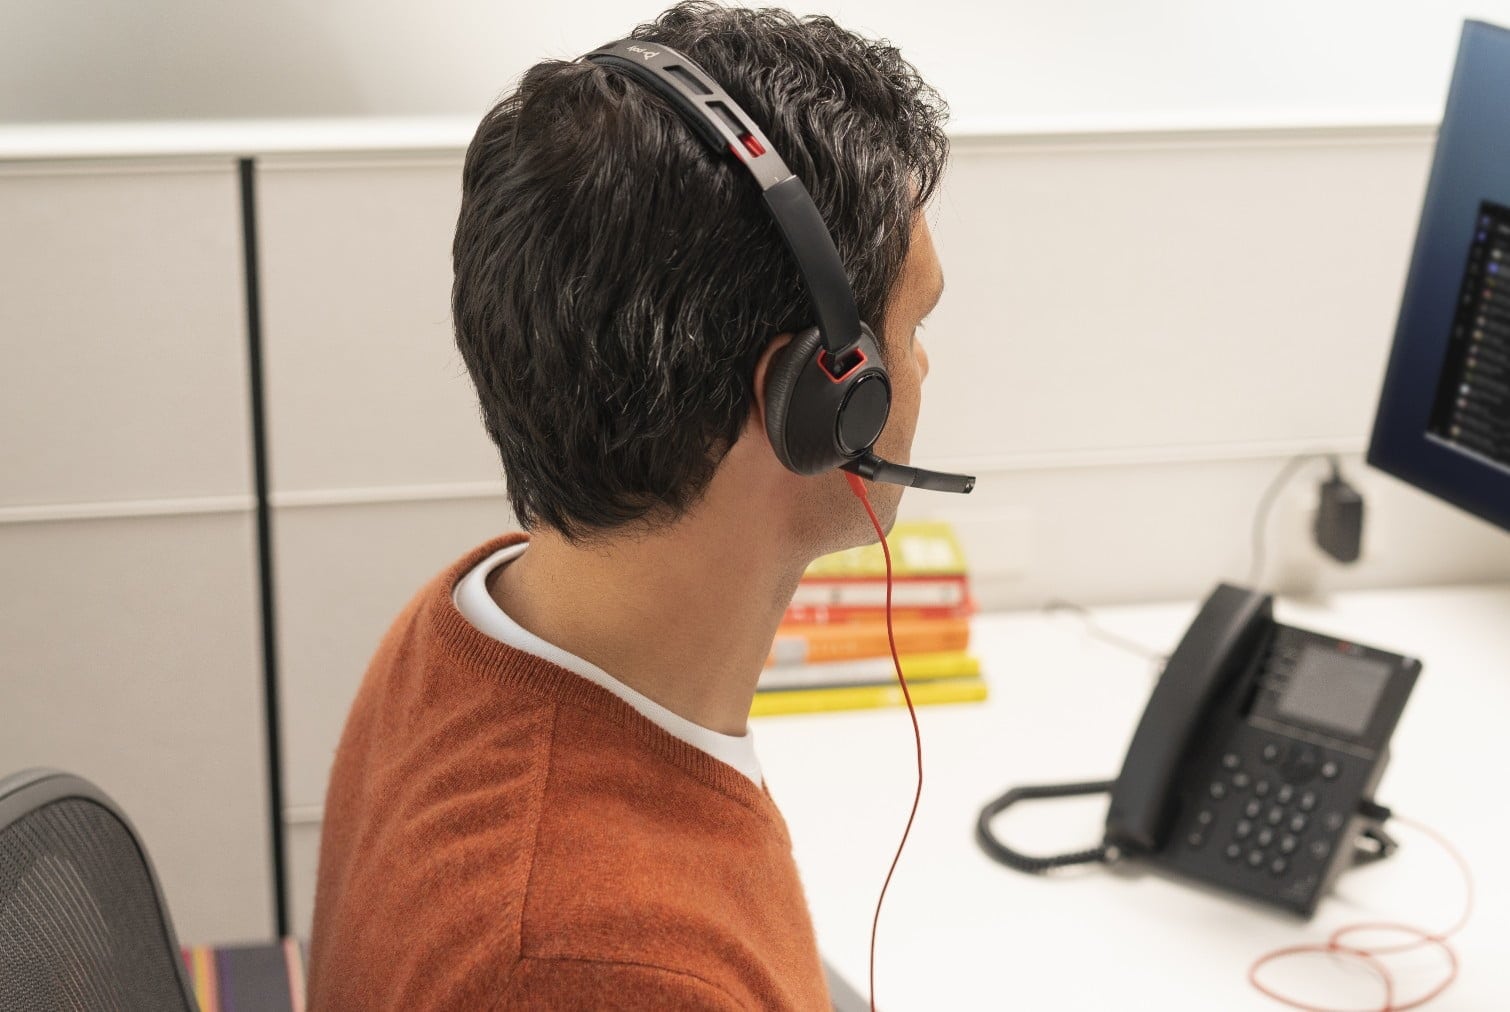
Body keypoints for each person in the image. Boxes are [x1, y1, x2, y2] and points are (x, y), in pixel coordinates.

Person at [307, 2, 949, 1007]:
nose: (922, 365)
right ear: (819, 400)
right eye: (913, 327)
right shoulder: (603, 968)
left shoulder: (475, 617)